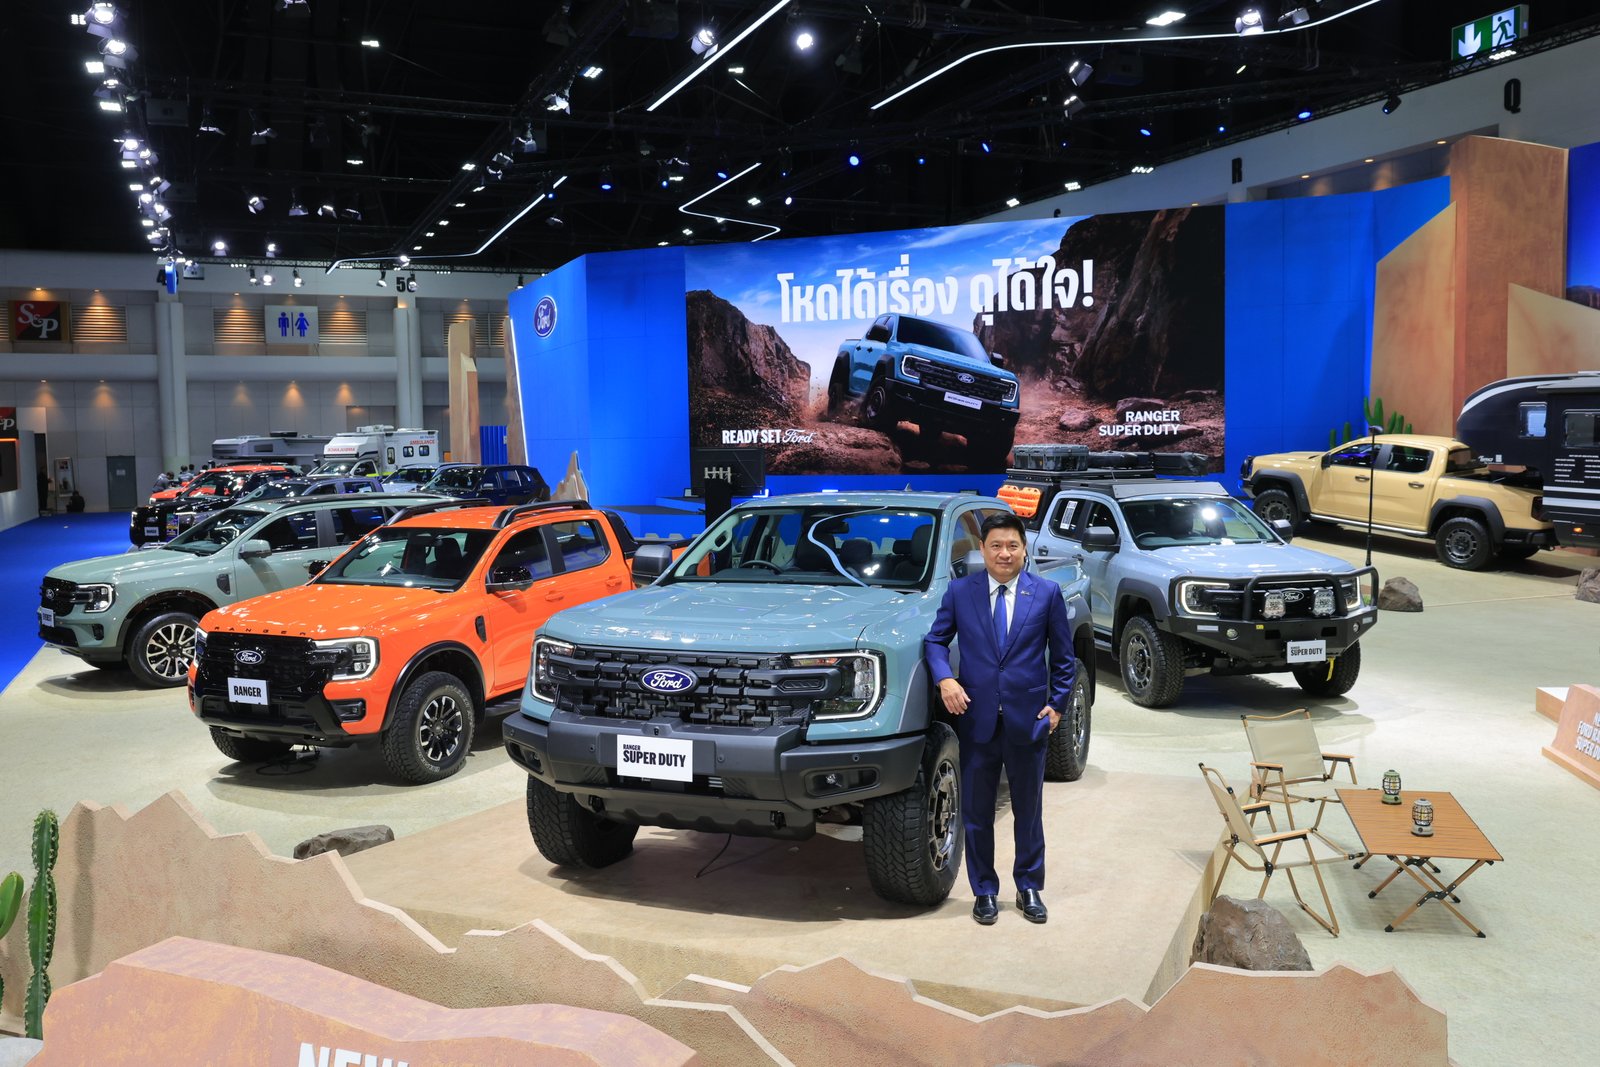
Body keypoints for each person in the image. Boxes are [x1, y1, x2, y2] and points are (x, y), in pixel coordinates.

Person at [924, 512, 1076, 927]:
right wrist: (945, 679)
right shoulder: (961, 592)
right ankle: (984, 891)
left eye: (1012, 545)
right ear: (982, 549)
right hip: (976, 719)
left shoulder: (1046, 593)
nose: (1004, 553)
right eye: (996, 546)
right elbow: (935, 641)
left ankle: (1029, 887)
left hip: (1029, 720)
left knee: (1029, 811)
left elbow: (1064, 658)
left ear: (1024, 550)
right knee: (977, 813)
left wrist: (1057, 706)